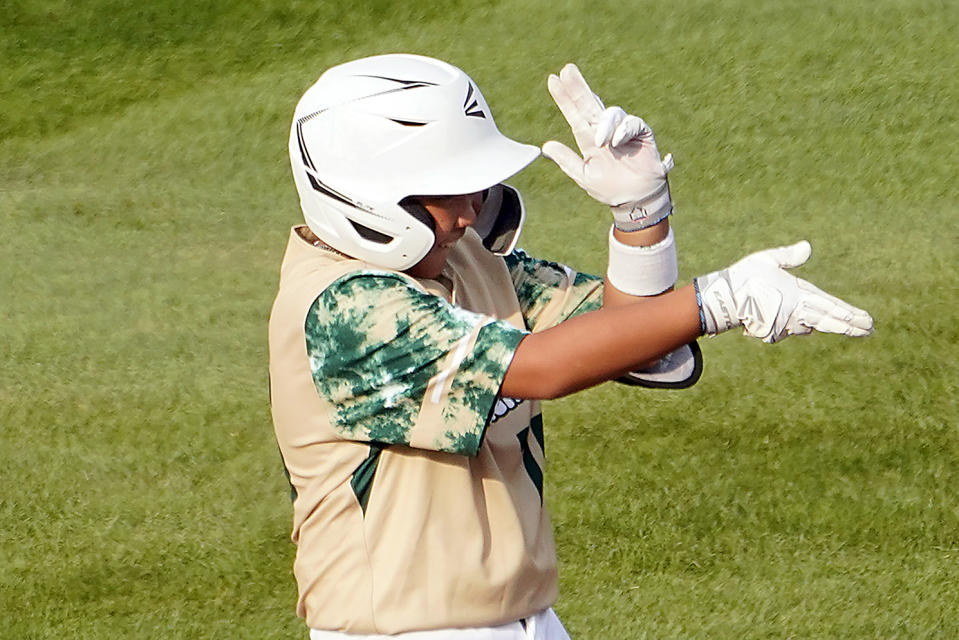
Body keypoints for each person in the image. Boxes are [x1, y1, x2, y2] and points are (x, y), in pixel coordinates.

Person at [268, 54, 873, 639]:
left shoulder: (472, 261)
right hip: (404, 632)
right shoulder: (342, 309)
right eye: (449, 185)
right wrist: (715, 301)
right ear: (368, 194)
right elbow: (545, 366)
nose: (474, 206)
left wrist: (640, 219)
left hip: (525, 618)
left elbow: (632, 336)